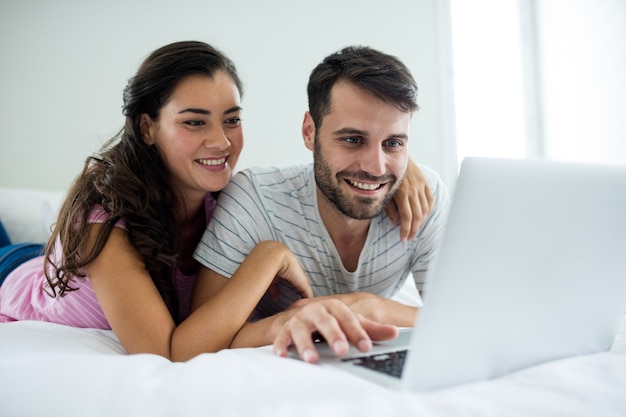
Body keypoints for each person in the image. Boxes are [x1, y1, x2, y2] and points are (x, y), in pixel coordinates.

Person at [0, 41, 432, 361]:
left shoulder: (223, 193)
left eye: (232, 120)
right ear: (147, 128)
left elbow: (329, 164)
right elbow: (165, 352)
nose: (221, 141)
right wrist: (269, 256)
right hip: (18, 276)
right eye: (194, 122)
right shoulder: (102, 220)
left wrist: (398, 166)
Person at [193, 45, 450, 364]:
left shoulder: (424, 197)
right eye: (353, 140)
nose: (376, 167)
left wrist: (371, 307)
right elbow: (196, 340)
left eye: (393, 143)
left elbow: (459, 321)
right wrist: (285, 323)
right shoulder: (254, 200)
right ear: (309, 132)